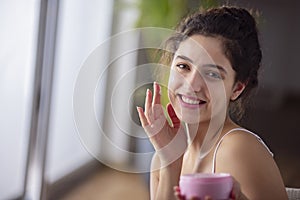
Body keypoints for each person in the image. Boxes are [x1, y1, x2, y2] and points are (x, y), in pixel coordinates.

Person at [136, 6, 288, 200]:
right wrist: (171, 164)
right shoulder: (162, 158)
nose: (192, 84)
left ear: (237, 88)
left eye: (211, 74)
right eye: (183, 66)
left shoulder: (238, 149)